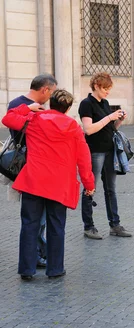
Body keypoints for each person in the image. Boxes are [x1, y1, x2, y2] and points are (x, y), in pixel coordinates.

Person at [2, 90, 95, 280]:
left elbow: (8, 118)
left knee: (29, 225)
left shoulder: (34, 119)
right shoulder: (74, 127)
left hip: (34, 180)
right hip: (60, 184)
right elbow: (84, 160)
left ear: (51, 103)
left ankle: (27, 269)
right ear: (68, 108)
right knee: (56, 227)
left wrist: (27, 108)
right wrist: (89, 184)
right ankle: (55, 269)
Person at [6, 74, 57, 268]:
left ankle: (39, 252)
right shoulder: (18, 104)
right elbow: (14, 126)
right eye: (51, 92)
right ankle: (35, 254)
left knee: (37, 214)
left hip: (39, 164)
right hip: (28, 163)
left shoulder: (26, 104)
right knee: (34, 214)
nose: (50, 96)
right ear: (45, 89)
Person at [79, 72, 132, 239]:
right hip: (95, 151)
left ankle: (115, 225)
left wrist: (119, 120)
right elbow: (88, 129)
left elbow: (110, 128)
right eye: (105, 88)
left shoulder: (105, 102)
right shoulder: (86, 104)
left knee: (111, 189)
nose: (107, 92)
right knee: (90, 188)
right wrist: (109, 116)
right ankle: (89, 226)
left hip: (109, 151)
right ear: (96, 86)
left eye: (109, 89)